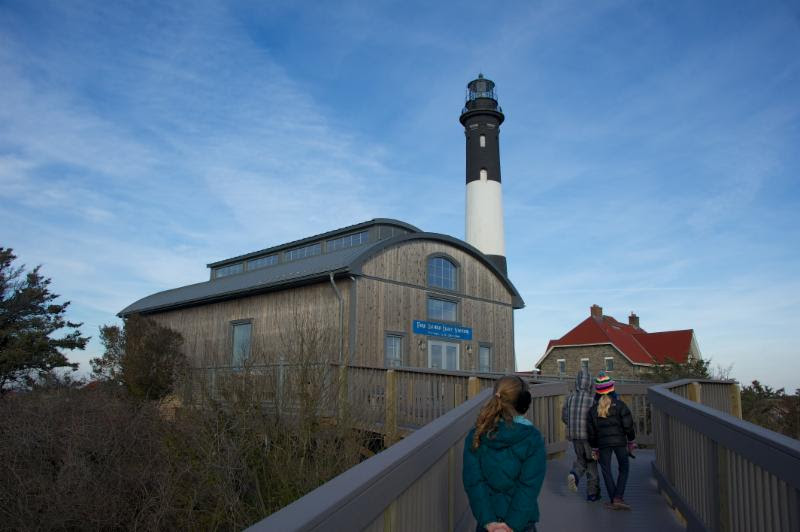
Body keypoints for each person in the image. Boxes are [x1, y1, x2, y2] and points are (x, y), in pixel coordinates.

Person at [463, 375, 547, 532]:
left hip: (488, 523)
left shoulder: (476, 435)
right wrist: (512, 524)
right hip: (522, 524)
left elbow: (473, 482)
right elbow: (528, 486)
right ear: (524, 404)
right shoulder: (533, 439)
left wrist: (488, 521)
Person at [587, 372, 636, 510]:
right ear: (612, 389)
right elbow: (628, 425)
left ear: (597, 392)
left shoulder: (592, 411)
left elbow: (592, 433)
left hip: (602, 445)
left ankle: (614, 498)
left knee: (606, 470)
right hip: (620, 442)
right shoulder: (621, 406)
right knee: (624, 468)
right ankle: (618, 497)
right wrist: (631, 441)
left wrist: (595, 448)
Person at [561, 368, 601, 501]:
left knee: (580, 460)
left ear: (577, 383)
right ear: (590, 383)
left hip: (575, 436)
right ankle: (592, 493)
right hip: (589, 437)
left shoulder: (570, 398)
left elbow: (564, 416)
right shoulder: (592, 399)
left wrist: (572, 424)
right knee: (591, 462)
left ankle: (575, 474)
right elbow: (597, 418)